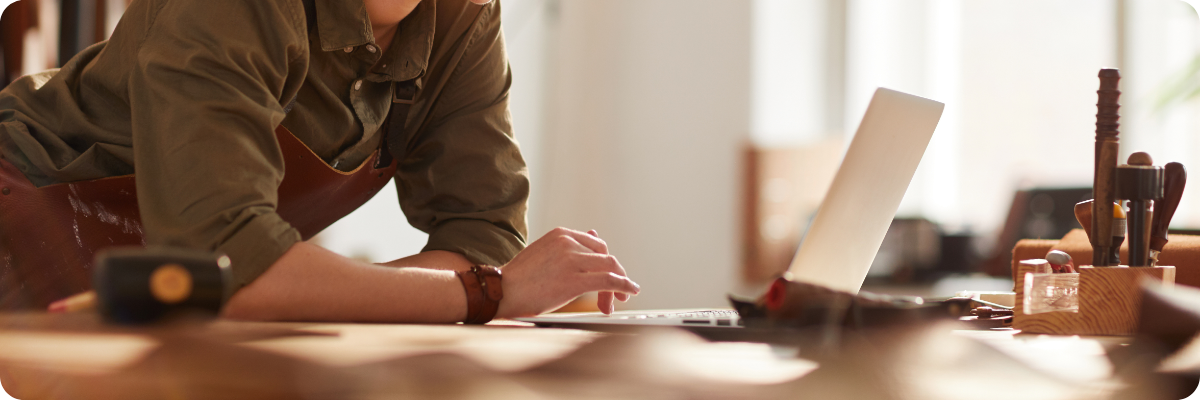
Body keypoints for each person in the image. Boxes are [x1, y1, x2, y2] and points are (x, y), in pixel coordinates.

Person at [0, 0, 639, 322]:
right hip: (22, 223)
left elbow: (483, 239)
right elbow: (227, 263)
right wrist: (486, 294)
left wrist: (290, 289)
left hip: (162, 297)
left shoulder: (462, 16)